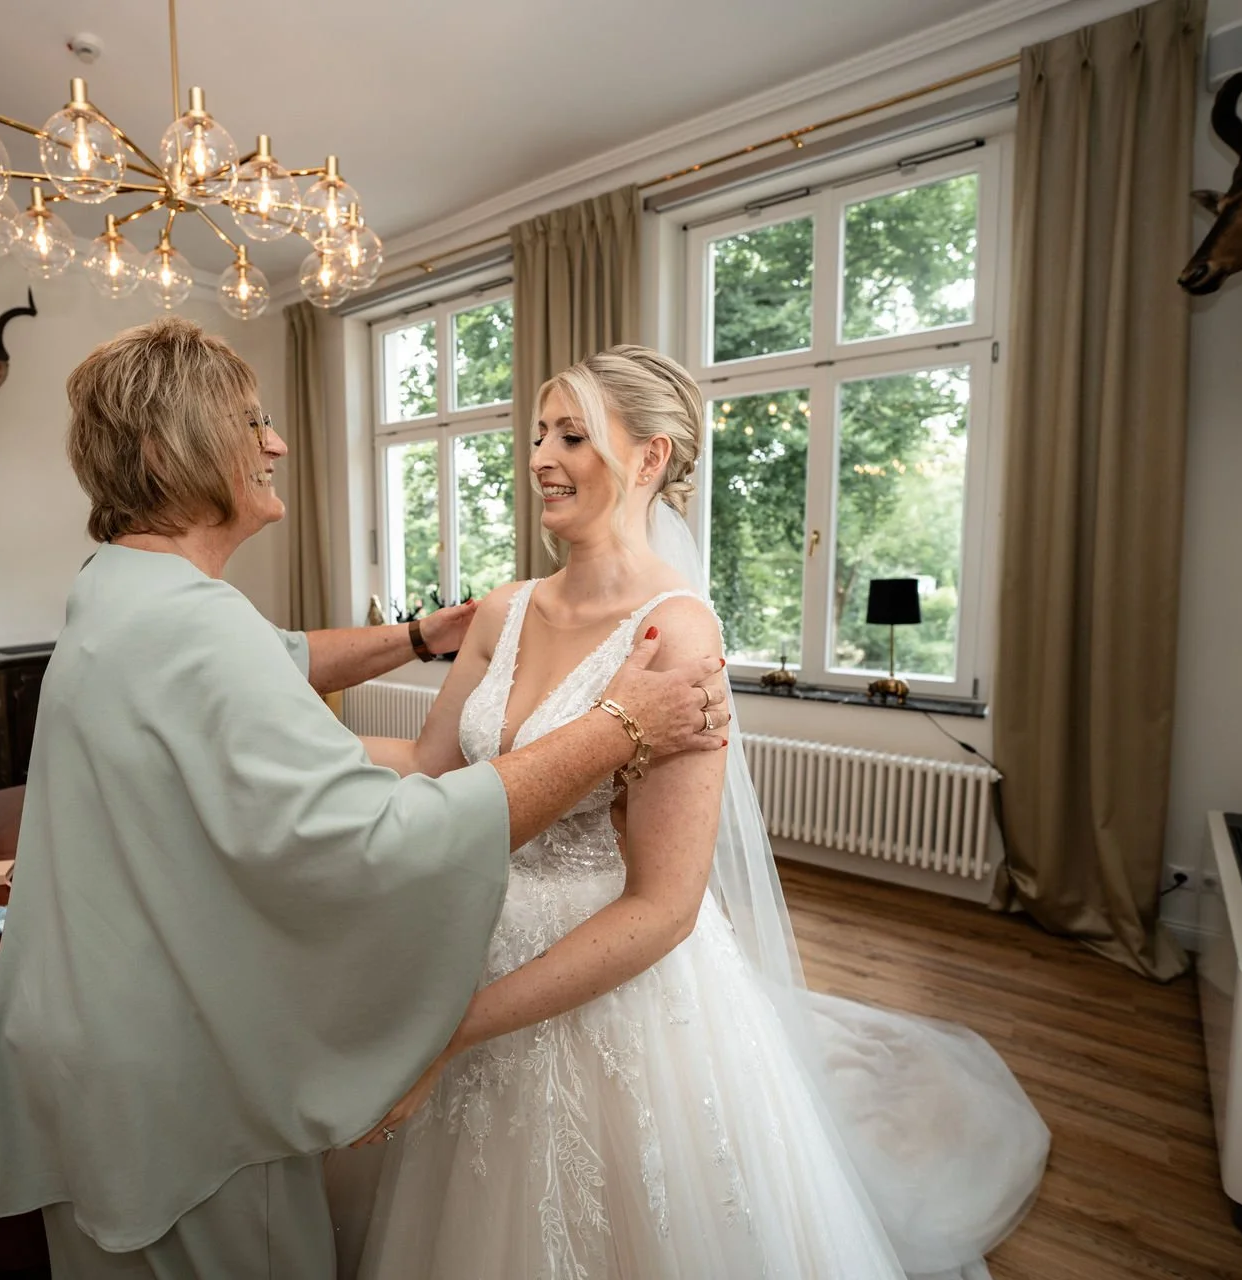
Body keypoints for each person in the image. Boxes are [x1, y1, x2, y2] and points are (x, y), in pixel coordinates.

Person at [0, 318, 730, 1280]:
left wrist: (421, 637)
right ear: (175, 451)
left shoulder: (119, 589)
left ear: (650, 458)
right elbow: (389, 825)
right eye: (252, 422)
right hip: (170, 1061)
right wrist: (620, 727)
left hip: (96, 1026)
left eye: (570, 434)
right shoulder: (193, 626)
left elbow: (283, 666)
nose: (278, 442)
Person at [331, 347, 1049, 1280]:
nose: (541, 456)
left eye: (573, 436)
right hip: (470, 928)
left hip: (600, 978)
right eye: (540, 433)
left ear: (650, 459)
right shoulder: (504, 612)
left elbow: (665, 908)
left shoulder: (677, 635)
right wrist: (286, 753)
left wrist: (454, 1027)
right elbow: (430, 764)